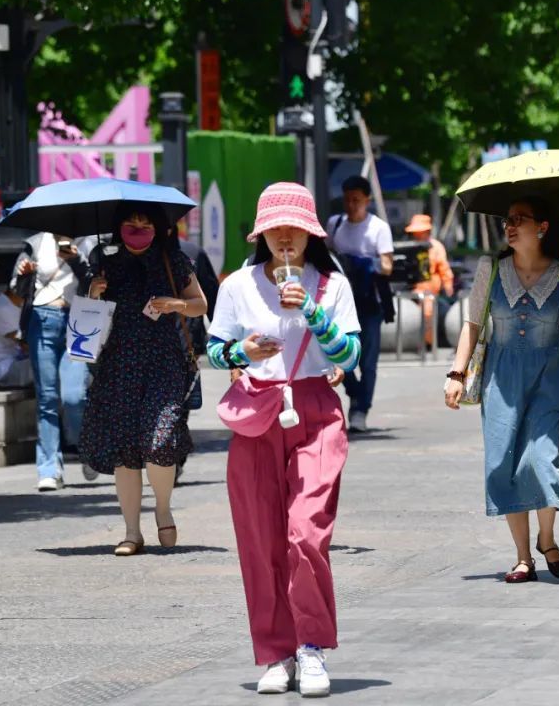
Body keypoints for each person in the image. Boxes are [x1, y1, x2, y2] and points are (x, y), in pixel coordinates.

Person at [208, 183, 361, 697]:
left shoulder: (331, 285)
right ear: (262, 234)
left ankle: (311, 647)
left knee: (306, 533)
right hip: (257, 412)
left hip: (315, 410)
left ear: (311, 232)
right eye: (275, 228)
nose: (285, 237)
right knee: (260, 541)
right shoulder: (238, 285)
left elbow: (350, 356)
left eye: (294, 227)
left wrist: (313, 314)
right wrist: (242, 352)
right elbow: (213, 351)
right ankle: (276, 653)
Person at [444, 196, 559, 583]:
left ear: (542, 227)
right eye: (507, 220)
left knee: (540, 459)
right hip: (500, 379)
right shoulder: (491, 268)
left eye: (519, 219)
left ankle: (547, 539)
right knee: (503, 462)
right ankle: (523, 557)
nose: (509, 226)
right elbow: (473, 323)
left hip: (549, 377)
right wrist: (456, 373)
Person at [80, 207, 208, 554]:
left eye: (145, 224)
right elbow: (84, 322)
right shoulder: (103, 264)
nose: (138, 230)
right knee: (125, 450)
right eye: (130, 224)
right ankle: (131, 532)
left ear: (158, 228)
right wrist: (93, 294)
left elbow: (200, 304)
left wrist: (176, 304)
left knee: (160, 439)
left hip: (163, 364)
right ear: (118, 228)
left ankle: (163, 508)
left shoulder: (173, 261)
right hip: (118, 365)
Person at [10, 232, 93, 491]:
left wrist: (77, 261)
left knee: (74, 396)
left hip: (82, 319)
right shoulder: (35, 243)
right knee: (47, 398)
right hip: (42, 318)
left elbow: (100, 284)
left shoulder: (90, 243)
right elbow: (16, 289)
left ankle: (87, 448)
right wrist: (24, 273)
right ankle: (49, 469)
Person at [327, 175, 393, 432]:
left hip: (369, 302)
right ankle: (355, 393)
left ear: (367, 200)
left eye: (356, 200)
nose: (351, 205)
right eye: (347, 200)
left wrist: (363, 263)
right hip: (340, 301)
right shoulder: (335, 224)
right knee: (336, 352)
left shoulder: (378, 228)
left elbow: (387, 266)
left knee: (367, 361)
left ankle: (360, 409)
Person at [174, 238, 220, 484]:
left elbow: (211, 295)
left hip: (187, 341)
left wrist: (224, 337)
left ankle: (174, 456)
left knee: (180, 404)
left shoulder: (191, 251)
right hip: (148, 343)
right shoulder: (136, 253)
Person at [405, 213, 455, 347]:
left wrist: (448, 285)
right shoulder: (409, 246)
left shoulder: (436, 247)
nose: (417, 235)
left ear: (427, 231)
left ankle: (427, 344)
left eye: (419, 232)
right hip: (410, 288)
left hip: (428, 291)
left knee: (427, 311)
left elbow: (444, 269)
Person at [0, 288, 32, 388]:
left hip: (11, 362)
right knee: (47, 364)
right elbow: (25, 344)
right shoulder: (3, 308)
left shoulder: (7, 304)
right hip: (1, 370)